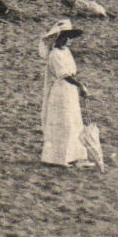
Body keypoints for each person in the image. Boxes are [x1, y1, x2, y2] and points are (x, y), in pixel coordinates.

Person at [39, 20, 90, 168]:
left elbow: (71, 72)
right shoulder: (54, 55)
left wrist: (78, 85)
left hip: (69, 91)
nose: (67, 40)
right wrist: (80, 85)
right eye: (64, 36)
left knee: (74, 121)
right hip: (61, 91)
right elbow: (64, 75)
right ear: (57, 38)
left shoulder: (66, 52)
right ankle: (59, 157)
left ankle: (75, 156)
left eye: (68, 37)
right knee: (64, 121)